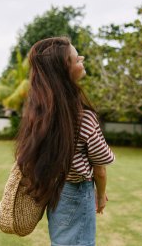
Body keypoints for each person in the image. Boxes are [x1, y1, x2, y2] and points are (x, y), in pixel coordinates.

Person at [15, 36, 115, 246]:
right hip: (77, 192)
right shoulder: (84, 117)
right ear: (64, 70)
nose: (82, 58)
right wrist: (101, 194)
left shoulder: (41, 114)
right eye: (76, 58)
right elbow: (100, 169)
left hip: (55, 190)